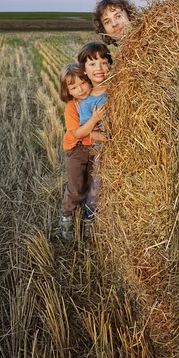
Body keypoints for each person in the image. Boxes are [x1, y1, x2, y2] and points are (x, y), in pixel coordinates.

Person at [58, 63, 105, 240]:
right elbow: (77, 133)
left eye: (83, 83)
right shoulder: (71, 107)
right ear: (68, 91)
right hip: (75, 149)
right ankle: (66, 217)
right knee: (76, 187)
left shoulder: (96, 98)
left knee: (91, 185)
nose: (80, 89)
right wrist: (94, 120)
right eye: (74, 87)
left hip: (92, 149)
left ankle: (88, 216)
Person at [77, 41, 113, 229]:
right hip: (103, 151)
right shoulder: (88, 103)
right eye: (92, 63)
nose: (99, 67)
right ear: (84, 70)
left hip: (126, 152)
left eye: (103, 62)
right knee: (97, 187)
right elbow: (88, 132)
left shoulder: (120, 87)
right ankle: (89, 215)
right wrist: (112, 139)